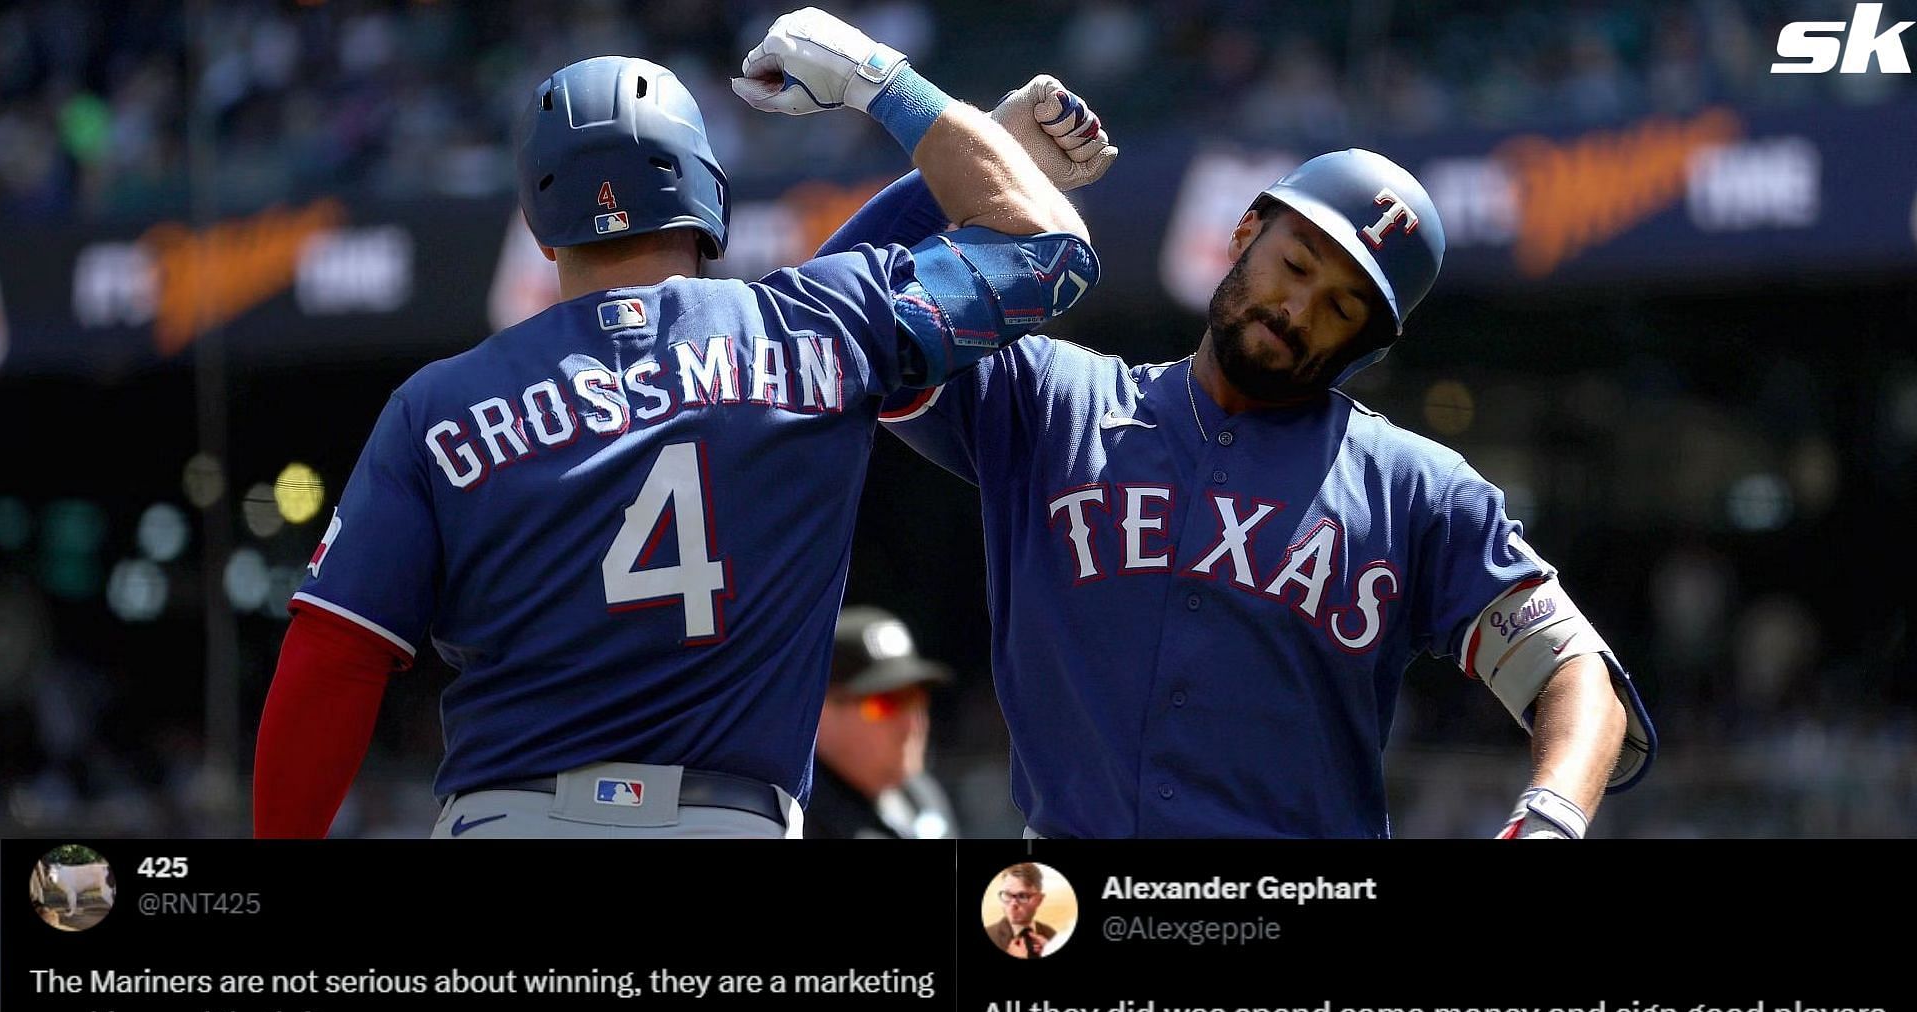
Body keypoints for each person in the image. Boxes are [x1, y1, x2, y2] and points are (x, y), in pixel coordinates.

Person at [251, 7, 1097, 838]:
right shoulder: (813, 331)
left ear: (543, 232)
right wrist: (895, 89)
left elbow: (335, 658)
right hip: (727, 822)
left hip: (506, 818)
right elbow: (1047, 248)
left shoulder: (436, 404)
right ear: (710, 196)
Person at [820, 99, 1657, 839]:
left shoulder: (1417, 490)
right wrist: (979, 143)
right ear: (1246, 231)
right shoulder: (1046, 401)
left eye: (1341, 309)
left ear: (1364, 347)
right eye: (1297, 268)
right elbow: (831, 317)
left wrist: (1552, 814)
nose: (1298, 311)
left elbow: (1576, 674)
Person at [805, 605, 958, 839]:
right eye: (885, 703)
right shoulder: (797, 821)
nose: (911, 724)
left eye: (915, 698)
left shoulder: (921, 795)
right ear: (821, 712)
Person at [986, 863, 1056, 958]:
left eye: (1022, 896)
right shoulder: (989, 935)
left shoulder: (1052, 936)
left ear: (1039, 900)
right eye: (1007, 894)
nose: (1013, 903)